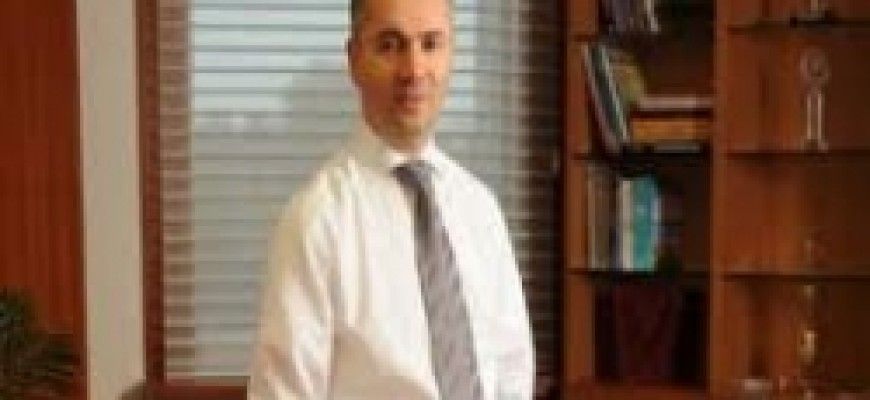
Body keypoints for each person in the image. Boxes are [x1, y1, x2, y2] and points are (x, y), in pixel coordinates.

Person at [246, 0, 535, 398]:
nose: (414, 70)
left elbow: (513, 373)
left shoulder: (481, 210)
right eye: (390, 45)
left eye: (430, 44)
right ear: (354, 60)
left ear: (451, 54)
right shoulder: (316, 222)